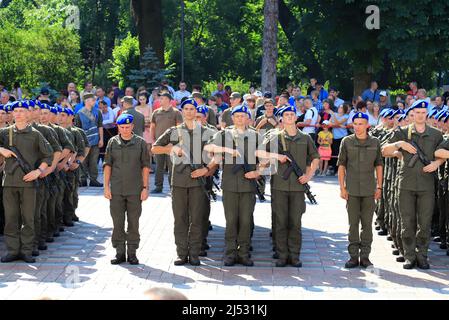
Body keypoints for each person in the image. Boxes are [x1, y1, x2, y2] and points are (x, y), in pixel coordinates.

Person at [152, 99, 216, 266]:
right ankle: (182, 254)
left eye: (192, 109)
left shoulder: (206, 132)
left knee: (196, 219)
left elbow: (218, 155)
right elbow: (154, 148)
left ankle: (194, 254)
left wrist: (206, 169)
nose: (189, 111)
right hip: (179, 181)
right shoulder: (174, 131)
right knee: (180, 219)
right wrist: (171, 149)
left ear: (196, 112)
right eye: (186, 109)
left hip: (197, 182)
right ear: (181, 111)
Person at [382, 100, 445, 269]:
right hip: (406, 183)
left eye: (423, 113)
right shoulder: (402, 132)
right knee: (407, 222)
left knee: (424, 223)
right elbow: (384, 150)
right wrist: (399, 144)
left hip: (426, 185)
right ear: (412, 113)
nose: (420, 115)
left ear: (427, 114)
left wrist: (437, 163)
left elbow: (442, 152)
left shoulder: (435, 134)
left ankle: (422, 255)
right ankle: (409, 256)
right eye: (417, 112)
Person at [258, 105, 320, 267]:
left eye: (292, 114)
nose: (290, 117)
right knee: (280, 222)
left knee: (295, 222)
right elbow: (259, 153)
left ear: (296, 117)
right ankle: (282, 255)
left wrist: (308, 176)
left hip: (298, 188)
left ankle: (294, 255)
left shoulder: (305, 138)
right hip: (279, 186)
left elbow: (315, 158)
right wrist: (277, 156)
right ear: (281, 119)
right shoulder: (275, 137)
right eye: (286, 115)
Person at [205, 105, 263, 267]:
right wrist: (226, 150)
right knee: (230, 220)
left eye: (243, 116)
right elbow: (208, 147)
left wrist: (257, 172)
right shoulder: (224, 134)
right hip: (230, 184)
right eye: (236, 116)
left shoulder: (256, 136)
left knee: (245, 221)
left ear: (248, 118)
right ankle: (230, 253)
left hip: (248, 184)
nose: (239, 119)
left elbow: (265, 159)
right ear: (232, 118)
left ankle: (243, 253)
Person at [0, 101, 53, 263]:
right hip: (9, 182)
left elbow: (48, 156)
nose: (19, 113)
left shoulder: (35, 134)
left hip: (28, 183)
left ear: (28, 114)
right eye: (16, 111)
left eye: (22, 111)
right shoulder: (5, 133)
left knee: (28, 218)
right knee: (10, 218)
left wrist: (38, 172)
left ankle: (27, 250)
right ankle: (13, 250)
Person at [337, 111, 383, 268]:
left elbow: (379, 165)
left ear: (367, 125)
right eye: (355, 124)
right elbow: (341, 165)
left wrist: (379, 186)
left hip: (370, 189)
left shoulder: (375, 142)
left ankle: (365, 256)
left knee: (367, 224)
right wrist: (342, 187)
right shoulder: (346, 141)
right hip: (352, 190)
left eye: (360, 124)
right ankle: (353, 256)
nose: (357, 127)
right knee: (353, 224)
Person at [103, 113, 151, 265]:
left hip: (135, 190)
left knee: (133, 222)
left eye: (127, 127)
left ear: (132, 127)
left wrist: (145, 188)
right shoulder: (112, 142)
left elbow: (145, 167)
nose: (124, 130)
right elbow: (107, 166)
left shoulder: (140, 143)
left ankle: (132, 253)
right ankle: (119, 253)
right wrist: (106, 187)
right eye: (122, 127)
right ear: (118, 127)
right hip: (116, 189)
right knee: (117, 222)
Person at [150, 91, 183, 193]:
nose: (160, 100)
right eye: (160, 98)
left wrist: (177, 143)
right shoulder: (156, 112)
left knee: (171, 167)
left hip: (171, 145)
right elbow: (152, 127)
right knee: (159, 167)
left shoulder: (176, 112)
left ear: (169, 100)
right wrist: (153, 141)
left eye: (162, 98)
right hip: (159, 144)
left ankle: (173, 187)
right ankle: (158, 187)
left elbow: (179, 129)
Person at [74, 93, 104, 187]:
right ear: (86, 101)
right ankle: (82, 179)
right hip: (84, 141)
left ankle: (93, 180)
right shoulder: (79, 113)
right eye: (93, 100)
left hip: (95, 140)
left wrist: (101, 139)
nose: (95, 101)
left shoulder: (98, 112)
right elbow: (77, 129)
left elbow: (100, 126)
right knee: (83, 160)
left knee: (94, 161)